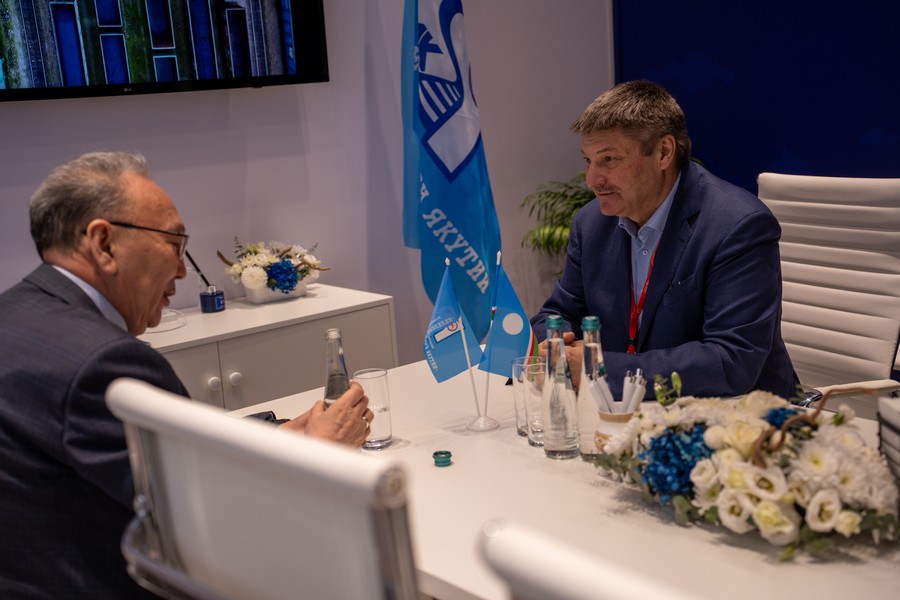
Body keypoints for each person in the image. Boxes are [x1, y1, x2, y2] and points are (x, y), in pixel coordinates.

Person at [0, 152, 373, 599]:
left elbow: (151, 461)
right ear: (103, 244)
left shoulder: (16, 316)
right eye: (174, 243)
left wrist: (282, 435)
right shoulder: (103, 363)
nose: (181, 270)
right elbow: (213, 525)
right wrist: (319, 453)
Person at [532, 81, 797, 401]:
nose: (592, 180)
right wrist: (555, 346)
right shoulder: (591, 224)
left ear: (663, 152)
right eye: (588, 161)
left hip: (740, 415)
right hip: (628, 411)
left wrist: (597, 368)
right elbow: (557, 314)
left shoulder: (737, 226)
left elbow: (731, 361)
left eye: (609, 159)